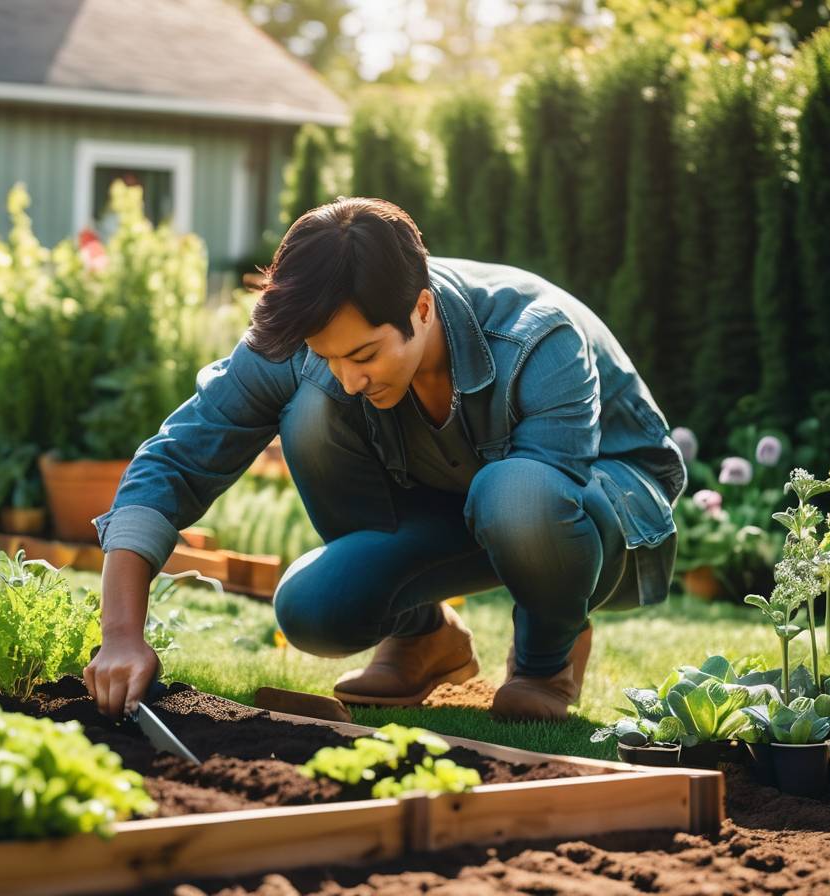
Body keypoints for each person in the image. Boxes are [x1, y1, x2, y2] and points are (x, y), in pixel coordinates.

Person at [83, 197, 685, 722]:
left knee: (517, 494)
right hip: (468, 495)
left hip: (602, 503)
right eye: (330, 356)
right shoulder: (312, 338)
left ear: (422, 309)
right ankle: (422, 638)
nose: (348, 377)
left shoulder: (536, 335)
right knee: (312, 601)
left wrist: (542, 641)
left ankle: (547, 660)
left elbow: (545, 497)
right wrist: (120, 636)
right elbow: (176, 458)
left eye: (365, 354)